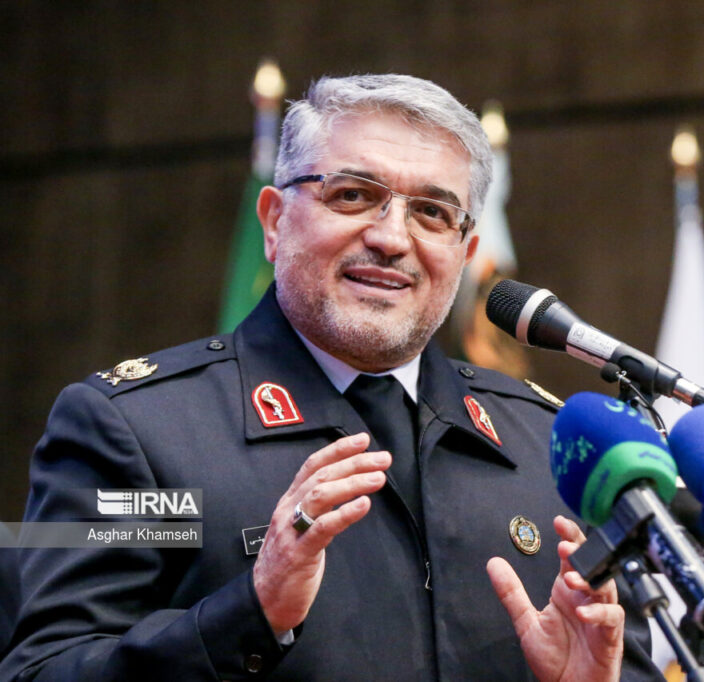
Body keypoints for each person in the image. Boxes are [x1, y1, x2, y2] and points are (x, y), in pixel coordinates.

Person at [0, 74, 659, 681]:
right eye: (352, 195)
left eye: (432, 212)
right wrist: (251, 613)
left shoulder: (549, 448)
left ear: (466, 254)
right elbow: (41, 672)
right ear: (274, 221)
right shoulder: (132, 431)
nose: (391, 238)